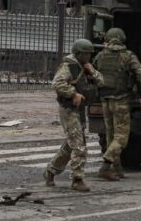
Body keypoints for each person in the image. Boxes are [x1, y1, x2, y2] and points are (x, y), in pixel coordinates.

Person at [44, 39, 103, 192]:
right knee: (79, 146)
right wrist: (73, 93)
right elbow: (57, 84)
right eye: (86, 54)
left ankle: (51, 171)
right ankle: (77, 179)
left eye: (90, 54)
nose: (89, 56)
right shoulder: (68, 66)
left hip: (80, 110)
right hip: (69, 109)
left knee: (70, 146)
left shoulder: (84, 67)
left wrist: (92, 71)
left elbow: (102, 82)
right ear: (78, 53)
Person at [94, 27, 141, 181]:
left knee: (111, 135)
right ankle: (105, 166)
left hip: (105, 100)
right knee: (121, 138)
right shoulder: (127, 56)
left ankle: (118, 170)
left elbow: (93, 73)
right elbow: (140, 73)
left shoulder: (100, 56)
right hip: (121, 100)